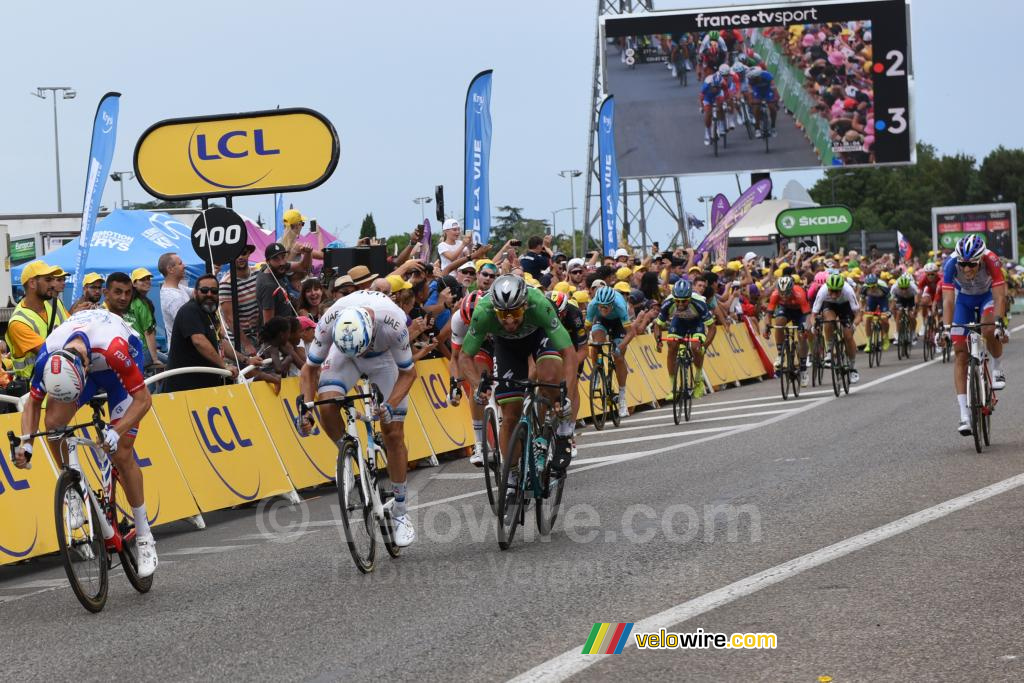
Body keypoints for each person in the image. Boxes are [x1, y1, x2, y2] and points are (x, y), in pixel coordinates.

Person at [13, 309, 158, 578]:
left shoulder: (114, 348)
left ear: (85, 368)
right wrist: (27, 444)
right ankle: (73, 489)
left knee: (122, 452)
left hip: (118, 373)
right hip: (84, 371)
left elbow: (144, 401)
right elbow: (33, 403)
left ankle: (145, 535)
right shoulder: (48, 356)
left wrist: (118, 431)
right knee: (54, 425)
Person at [298, 290, 419, 547]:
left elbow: (409, 374)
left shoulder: (393, 323)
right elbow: (308, 370)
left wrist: (390, 404)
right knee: (327, 404)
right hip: (345, 355)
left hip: (384, 359)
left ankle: (400, 512)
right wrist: (306, 408)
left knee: (393, 433)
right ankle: (348, 453)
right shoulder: (329, 322)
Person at [460, 275, 575, 476]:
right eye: (502, 314)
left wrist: (566, 394)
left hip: (539, 336)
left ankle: (563, 429)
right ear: (494, 309)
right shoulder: (483, 312)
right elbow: (464, 357)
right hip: (507, 347)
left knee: (549, 379)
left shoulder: (539, 303)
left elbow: (569, 354)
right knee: (510, 415)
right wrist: (477, 384)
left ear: (525, 304)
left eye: (515, 311)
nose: (510, 319)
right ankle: (511, 473)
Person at [941, 235, 1007, 435]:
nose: (967, 268)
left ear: (980, 260)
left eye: (972, 264)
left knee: (988, 328)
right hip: (964, 301)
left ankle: (997, 368)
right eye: (963, 264)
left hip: (987, 296)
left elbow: (999, 295)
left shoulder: (991, 260)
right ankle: (964, 415)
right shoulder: (951, 263)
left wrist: (999, 323)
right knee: (960, 353)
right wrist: (945, 328)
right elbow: (948, 301)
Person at [164, 275, 239, 393]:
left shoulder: (211, 312)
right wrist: (224, 365)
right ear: (195, 292)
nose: (209, 294)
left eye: (214, 291)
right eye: (204, 290)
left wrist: (245, 359)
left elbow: (220, 343)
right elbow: (199, 341)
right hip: (184, 389)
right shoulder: (190, 310)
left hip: (205, 386)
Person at [5, 261, 64, 380]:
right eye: (48, 280)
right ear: (32, 283)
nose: (53, 284)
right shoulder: (19, 322)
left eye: (53, 279)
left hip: (61, 381)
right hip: (35, 391)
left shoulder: (55, 303)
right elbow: (50, 353)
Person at [656, 279, 713, 400]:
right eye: (678, 301)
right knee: (671, 346)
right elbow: (657, 325)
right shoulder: (668, 303)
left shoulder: (699, 303)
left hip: (695, 323)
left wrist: (705, 346)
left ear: (690, 298)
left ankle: (698, 379)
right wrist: (658, 340)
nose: (681, 304)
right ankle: (673, 388)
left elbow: (712, 328)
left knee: (695, 348)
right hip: (678, 322)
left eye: (684, 301)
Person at [587, 286, 638, 417]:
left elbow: (631, 332)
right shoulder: (593, 305)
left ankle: (622, 398)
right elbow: (586, 328)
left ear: (612, 304)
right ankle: (597, 371)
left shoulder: (620, 306)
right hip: (601, 322)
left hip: (618, 324)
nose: (603, 309)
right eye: (600, 307)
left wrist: (621, 346)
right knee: (596, 342)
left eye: (606, 307)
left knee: (619, 356)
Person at [808, 273, 862, 384]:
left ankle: (852, 368)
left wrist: (853, 325)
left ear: (842, 288)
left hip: (845, 306)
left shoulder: (848, 291)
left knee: (848, 336)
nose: (833, 294)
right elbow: (813, 315)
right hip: (830, 306)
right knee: (829, 320)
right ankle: (829, 351)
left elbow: (858, 315)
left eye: (836, 291)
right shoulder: (823, 291)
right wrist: (813, 326)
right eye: (831, 291)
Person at [767, 276, 811, 385]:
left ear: (791, 289)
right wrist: (766, 326)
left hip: (800, 313)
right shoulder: (775, 294)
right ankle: (780, 354)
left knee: (801, 336)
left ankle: (803, 368)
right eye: (781, 293)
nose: (784, 296)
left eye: (786, 292)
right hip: (785, 310)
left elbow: (808, 315)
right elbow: (768, 314)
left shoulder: (799, 294)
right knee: (779, 323)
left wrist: (806, 327)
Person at [218, 243, 260, 354]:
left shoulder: (257, 273)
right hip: (240, 340)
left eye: (244, 253)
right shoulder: (226, 283)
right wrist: (246, 344)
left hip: (260, 335)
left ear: (249, 254)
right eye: (236, 254)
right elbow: (230, 319)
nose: (240, 257)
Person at [129, 268, 163, 368]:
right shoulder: (142, 304)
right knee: (172, 365)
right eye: (142, 279)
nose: (147, 281)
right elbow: (149, 333)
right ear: (134, 284)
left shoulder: (127, 302)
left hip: (129, 353)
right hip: (142, 351)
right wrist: (155, 359)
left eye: (148, 278)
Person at [256, 242, 295, 324]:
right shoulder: (269, 286)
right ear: (268, 261)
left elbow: (303, 266)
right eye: (276, 259)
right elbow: (269, 324)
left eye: (283, 257)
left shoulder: (266, 269)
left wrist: (308, 253)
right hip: (279, 334)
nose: (282, 262)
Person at [158, 252, 192, 336]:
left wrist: (213, 274)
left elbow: (197, 292)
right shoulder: (174, 298)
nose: (184, 266)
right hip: (183, 348)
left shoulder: (178, 287)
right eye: (180, 263)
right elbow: (188, 328)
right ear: (170, 269)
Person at [860, 273, 891, 352]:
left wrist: (888, 311)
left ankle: (885, 337)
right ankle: (868, 343)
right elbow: (862, 300)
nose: (872, 288)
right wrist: (863, 308)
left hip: (882, 300)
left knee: (884, 319)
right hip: (872, 299)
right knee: (868, 319)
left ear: (877, 283)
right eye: (870, 287)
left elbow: (890, 300)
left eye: (873, 286)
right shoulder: (864, 288)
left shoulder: (883, 286)